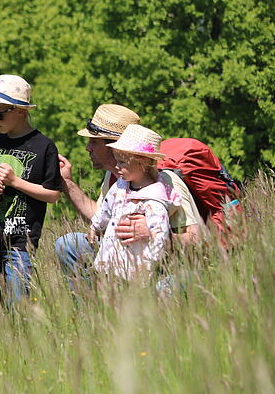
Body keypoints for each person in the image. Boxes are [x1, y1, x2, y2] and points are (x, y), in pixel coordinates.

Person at [54, 104, 205, 286]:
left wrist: (154, 234)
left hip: (162, 268)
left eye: (94, 141)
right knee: (67, 244)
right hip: (122, 257)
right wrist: (67, 183)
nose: (88, 148)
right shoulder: (115, 179)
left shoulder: (165, 182)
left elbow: (197, 239)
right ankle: (92, 300)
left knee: (169, 287)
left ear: (113, 146)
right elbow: (102, 215)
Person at [0, 75, 63, 302]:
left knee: (18, 301)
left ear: (20, 111)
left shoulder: (44, 146)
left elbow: (53, 194)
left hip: (20, 241)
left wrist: (15, 182)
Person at [90, 124, 176, 280]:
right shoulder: (120, 186)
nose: (117, 166)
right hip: (109, 259)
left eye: (122, 162)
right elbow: (105, 209)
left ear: (142, 163)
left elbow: (160, 237)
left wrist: (148, 267)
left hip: (134, 268)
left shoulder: (154, 200)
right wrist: (95, 227)